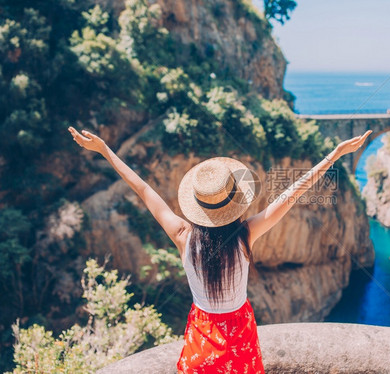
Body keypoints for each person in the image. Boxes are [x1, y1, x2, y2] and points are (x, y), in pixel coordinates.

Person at [68, 126, 372, 373]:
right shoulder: (245, 235)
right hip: (240, 338)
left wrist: (105, 151)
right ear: (235, 204)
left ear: (198, 206)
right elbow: (290, 196)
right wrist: (334, 154)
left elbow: (143, 189)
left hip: (202, 339)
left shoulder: (182, 236)